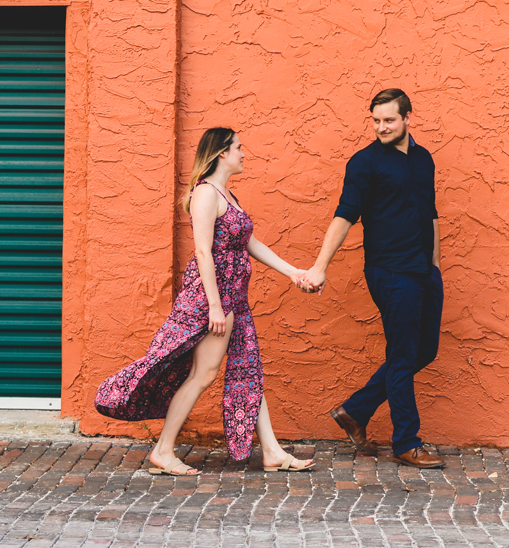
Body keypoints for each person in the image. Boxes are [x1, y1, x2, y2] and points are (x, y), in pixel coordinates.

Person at [95, 127, 315, 475]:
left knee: (247, 371)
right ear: (222, 153)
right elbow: (202, 251)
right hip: (213, 299)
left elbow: (249, 243)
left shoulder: (229, 195)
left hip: (235, 299)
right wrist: (215, 304)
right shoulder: (206, 195)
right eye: (239, 148)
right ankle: (164, 450)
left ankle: (272, 452)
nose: (244, 153)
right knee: (203, 373)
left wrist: (292, 272)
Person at [305, 89, 445, 469]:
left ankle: (356, 410)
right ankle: (406, 442)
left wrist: (434, 266)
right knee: (402, 354)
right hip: (390, 272)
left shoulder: (423, 159)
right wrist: (320, 266)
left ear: (408, 118)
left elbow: (430, 213)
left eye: (389, 120)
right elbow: (345, 214)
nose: (382, 127)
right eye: (376, 121)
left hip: (423, 271)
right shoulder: (364, 163)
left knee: (424, 350)